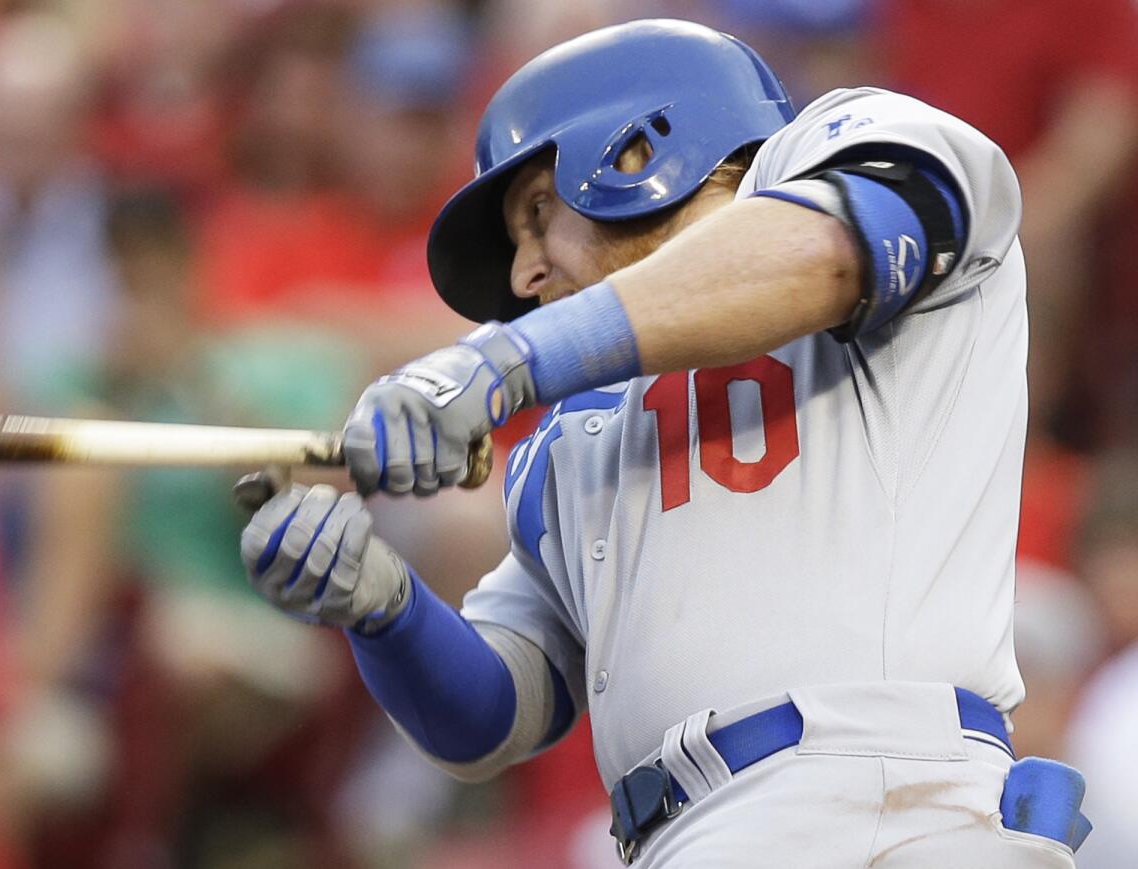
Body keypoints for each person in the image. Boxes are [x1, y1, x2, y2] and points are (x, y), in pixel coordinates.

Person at [239, 20, 1090, 867]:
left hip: (882, 792)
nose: (522, 275)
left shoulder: (860, 140)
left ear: (639, 156)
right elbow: (495, 717)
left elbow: (824, 250)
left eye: (538, 214)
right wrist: (384, 608)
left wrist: (503, 359)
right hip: (683, 833)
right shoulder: (566, 440)